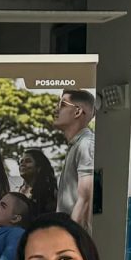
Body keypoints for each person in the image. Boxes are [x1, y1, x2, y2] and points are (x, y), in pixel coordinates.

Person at [54, 89, 99, 228]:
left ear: (78, 112)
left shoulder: (86, 144)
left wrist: (69, 238)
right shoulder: (77, 144)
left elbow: (86, 199)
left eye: (62, 105)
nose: (55, 109)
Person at [16, 148, 60, 219]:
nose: (22, 164)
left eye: (28, 161)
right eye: (21, 162)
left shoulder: (50, 192)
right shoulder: (17, 191)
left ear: (39, 168)